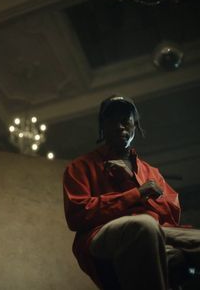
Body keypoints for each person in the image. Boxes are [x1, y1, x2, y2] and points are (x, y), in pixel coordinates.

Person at [63, 95, 200, 290]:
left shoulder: (152, 172)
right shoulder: (79, 167)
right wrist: (137, 193)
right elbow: (77, 215)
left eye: (125, 120)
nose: (119, 127)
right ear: (102, 127)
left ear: (135, 125)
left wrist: (132, 179)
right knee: (143, 225)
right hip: (101, 234)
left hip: (158, 231)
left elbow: (171, 214)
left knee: (155, 231)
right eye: (111, 121)